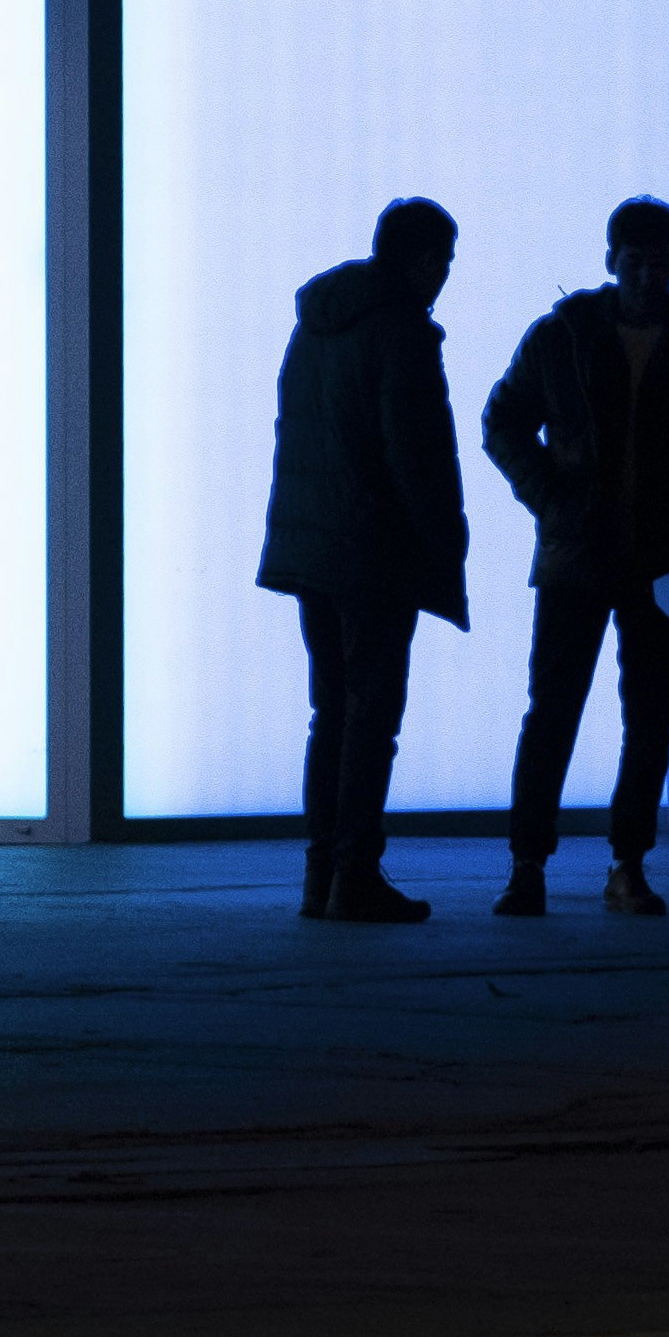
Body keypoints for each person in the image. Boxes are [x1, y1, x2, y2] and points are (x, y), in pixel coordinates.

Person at [478, 196, 669, 917]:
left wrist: (549, 497)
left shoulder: (576, 334)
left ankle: (559, 866)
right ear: (614, 260)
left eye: (658, 261)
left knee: (608, 714)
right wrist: (550, 497)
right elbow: (503, 422)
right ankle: (593, 866)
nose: (648, 274)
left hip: (599, 555)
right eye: (637, 261)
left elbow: (503, 422)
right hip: (612, 554)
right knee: (589, 713)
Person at [256, 197, 468, 922]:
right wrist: (446, 540)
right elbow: (418, 452)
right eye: (442, 262)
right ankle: (357, 874)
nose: (444, 277)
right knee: (372, 717)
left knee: (332, 712)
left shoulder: (317, 324)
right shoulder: (401, 329)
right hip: (374, 552)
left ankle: (322, 875)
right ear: (420, 260)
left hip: (313, 546)